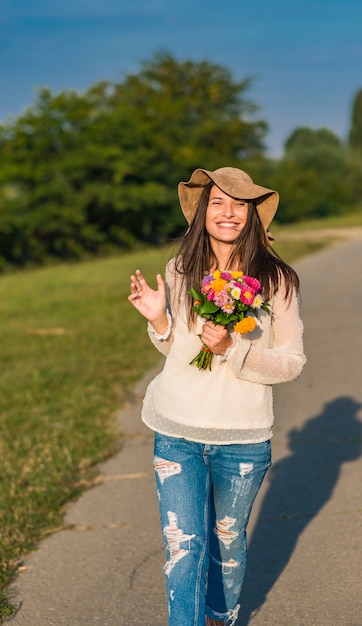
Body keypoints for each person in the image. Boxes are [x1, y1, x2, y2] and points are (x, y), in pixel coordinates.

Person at [128, 167, 306, 626]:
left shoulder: (277, 281)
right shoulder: (179, 269)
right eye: (218, 203)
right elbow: (178, 349)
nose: (228, 213)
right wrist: (160, 320)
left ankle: (220, 619)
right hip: (176, 431)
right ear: (202, 212)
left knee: (227, 549)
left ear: (252, 214)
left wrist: (233, 350)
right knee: (183, 550)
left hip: (242, 439)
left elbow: (291, 363)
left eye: (239, 204)